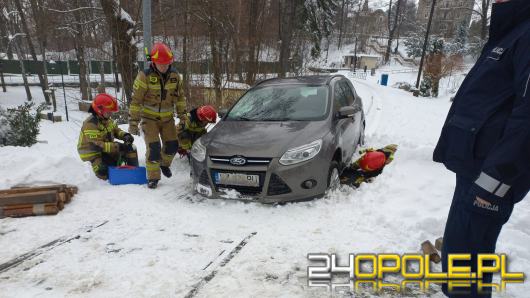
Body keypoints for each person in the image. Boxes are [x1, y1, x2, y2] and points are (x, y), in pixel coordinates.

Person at [432, 0, 530, 297]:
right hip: (474, 169)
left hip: (492, 178)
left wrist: (495, 181)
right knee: (459, 253)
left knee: (468, 262)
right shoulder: (510, 33)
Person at [128, 42, 187, 189]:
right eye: (161, 64)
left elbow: (180, 98)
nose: (164, 66)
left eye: (167, 63)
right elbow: (136, 101)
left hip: (167, 119)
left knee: (173, 146)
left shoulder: (175, 76)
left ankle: (164, 164)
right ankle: (153, 178)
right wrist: (133, 122)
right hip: (149, 119)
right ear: (153, 62)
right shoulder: (144, 76)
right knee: (154, 148)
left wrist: (183, 116)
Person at [78, 93, 138, 180]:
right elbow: (97, 145)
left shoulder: (106, 120)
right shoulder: (90, 124)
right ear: (100, 110)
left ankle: (133, 172)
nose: (110, 114)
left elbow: (115, 130)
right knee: (104, 172)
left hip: (105, 150)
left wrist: (125, 135)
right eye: (108, 112)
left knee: (131, 149)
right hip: (92, 155)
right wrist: (119, 146)